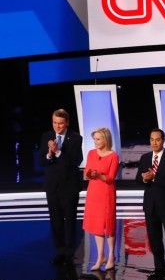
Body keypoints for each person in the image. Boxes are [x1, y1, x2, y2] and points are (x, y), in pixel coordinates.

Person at [135, 129, 165, 280]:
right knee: (155, 240)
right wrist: (144, 178)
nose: (154, 143)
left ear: (163, 140)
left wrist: (155, 177)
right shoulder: (145, 158)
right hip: (150, 206)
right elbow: (137, 179)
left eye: (157, 140)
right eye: (152, 139)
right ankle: (159, 269)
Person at [40, 109, 83, 266]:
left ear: (67, 123)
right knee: (56, 221)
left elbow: (75, 162)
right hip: (52, 186)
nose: (57, 126)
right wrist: (49, 154)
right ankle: (60, 252)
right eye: (54, 123)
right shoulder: (46, 136)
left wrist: (58, 151)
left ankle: (70, 254)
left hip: (70, 187)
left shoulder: (76, 138)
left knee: (70, 221)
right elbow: (41, 161)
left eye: (60, 123)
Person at [83, 127, 119, 271]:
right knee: (97, 225)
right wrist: (88, 174)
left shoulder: (113, 156)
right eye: (94, 139)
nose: (95, 142)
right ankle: (100, 257)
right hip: (93, 192)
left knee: (108, 225)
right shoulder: (91, 153)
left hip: (106, 192)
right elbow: (87, 171)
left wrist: (99, 175)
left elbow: (111, 177)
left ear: (106, 139)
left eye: (98, 139)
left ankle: (111, 256)